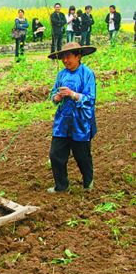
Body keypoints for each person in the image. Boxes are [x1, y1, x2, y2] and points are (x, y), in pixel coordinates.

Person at [46, 42, 97, 194]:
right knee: (55, 155)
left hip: (81, 122)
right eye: (63, 58)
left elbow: (90, 99)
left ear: (78, 56)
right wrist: (56, 97)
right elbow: (53, 94)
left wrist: (73, 94)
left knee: (82, 155)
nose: (65, 60)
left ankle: (88, 182)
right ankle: (61, 186)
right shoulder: (61, 74)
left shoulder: (87, 73)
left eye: (68, 57)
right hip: (62, 122)